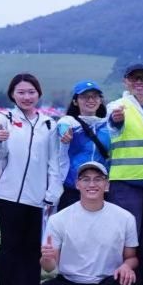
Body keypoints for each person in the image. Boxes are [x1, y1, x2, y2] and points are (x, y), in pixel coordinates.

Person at [27, 161, 139, 285]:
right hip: (70, 282)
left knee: (132, 280)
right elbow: (49, 268)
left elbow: (131, 257)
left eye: (98, 179)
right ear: (77, 184)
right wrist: (47, 258)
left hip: (108, 283)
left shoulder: (125, 218)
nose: (92, 184)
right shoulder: (59, 219)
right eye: (86, 179)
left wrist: (126, 266)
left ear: (107, 185)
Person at [0, 73, 62, 285]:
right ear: (12, 94)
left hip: (38, 196)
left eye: (31, 92)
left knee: (32, 248)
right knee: (11, 246)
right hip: (8, 195)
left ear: (38, 94)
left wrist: (53, 191)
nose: (26, 97)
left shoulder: (48, 123)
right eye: (21, 92)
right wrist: (0, 141)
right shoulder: (3, 118)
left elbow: (54, 161)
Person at [107, 63, 143, 241]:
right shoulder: (117, 106)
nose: (139, 82)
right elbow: (112, 127)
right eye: (134, 78)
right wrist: (116, 120)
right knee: (126, 236)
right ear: (125, 81)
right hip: (126, 183)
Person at [56, 80, 110, 211]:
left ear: (100, 100)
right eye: (85, 97)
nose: (90, 100)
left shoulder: (107, 126)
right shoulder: (70, 122)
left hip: (99, 188)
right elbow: (63, 127)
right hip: (73, 187)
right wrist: (65, 135)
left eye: (95, 96)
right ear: (75, 101)